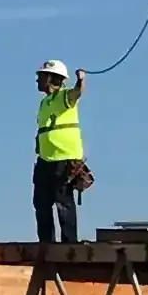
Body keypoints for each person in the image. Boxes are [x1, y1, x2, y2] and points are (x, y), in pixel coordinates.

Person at [31, 59, 91, 248]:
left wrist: (81, 80)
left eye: (41, 76)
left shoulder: (63, 97)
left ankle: (68, 245)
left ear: (51, 78)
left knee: (63, 202)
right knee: (41, 203)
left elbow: (77, 93)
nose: (37, 80)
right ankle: (46, 243)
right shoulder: (44, 103)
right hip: (46, 160)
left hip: (64, 160)